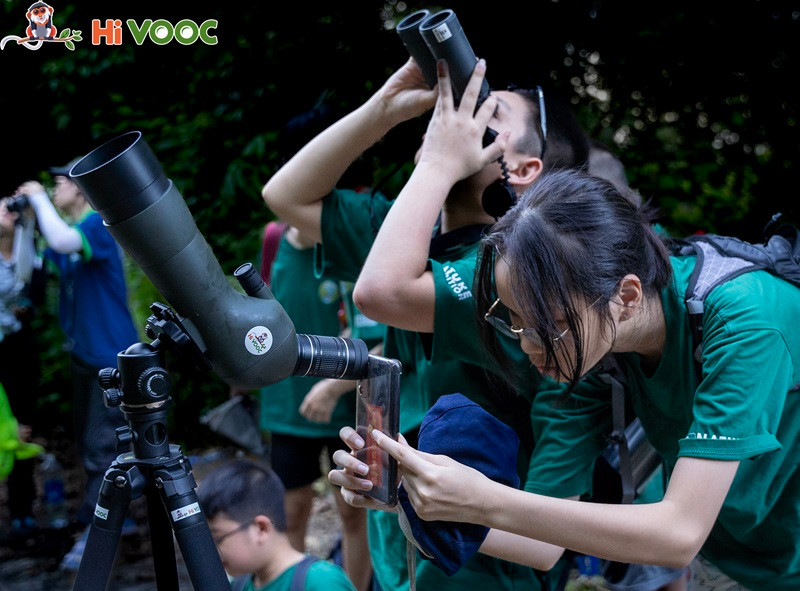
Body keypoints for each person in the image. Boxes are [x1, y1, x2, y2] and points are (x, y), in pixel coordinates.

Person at [335, 166, 800, 590]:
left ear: (627, 295)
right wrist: (408, 492)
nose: (527, 345)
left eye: (545, 325)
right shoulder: (597, 356)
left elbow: (678, 534)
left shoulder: (743, 324)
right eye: (514, 321)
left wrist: (483, 499)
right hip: (755, 561)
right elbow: (542, 546)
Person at [263, 56, 612, 591]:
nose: (461, 116)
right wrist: (383, 108)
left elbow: (381, 293)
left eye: (488, 112)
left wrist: (436, 163)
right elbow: (286, 196)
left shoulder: (514, 279)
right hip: (400, 551)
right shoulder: (408, 238)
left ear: (521, 170)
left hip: (482, 575)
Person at [15, 160, 140, 570]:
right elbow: (30, 267)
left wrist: (36, 200)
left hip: (110, 355)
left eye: (58, 184)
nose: (53, 191)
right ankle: (109, 518)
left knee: (103, 446)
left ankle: (106, 528)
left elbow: (64, 241)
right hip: (87, 355)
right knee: (91, 443)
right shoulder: (72, 230)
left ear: (81, 188)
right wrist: (28, 222)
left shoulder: (97, 226)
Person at [258, 222, 371, 591]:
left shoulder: (353, 241)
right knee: (290, 515)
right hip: (289, 405)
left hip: (348, 407)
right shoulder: (274, 240)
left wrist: (335, 386)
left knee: (354, 513)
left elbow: (376, 333)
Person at [197, 458, 357, 591]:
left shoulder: (322, 582)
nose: (211, 551)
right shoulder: (240, 586)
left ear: (261, 528)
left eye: (217, 539)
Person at [0, 196, 42, 536]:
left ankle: (21, 507)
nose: (6, 211)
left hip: (19, 353)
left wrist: (28, 223)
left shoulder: (28, 250)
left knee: (23, 429)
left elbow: (34, 289)